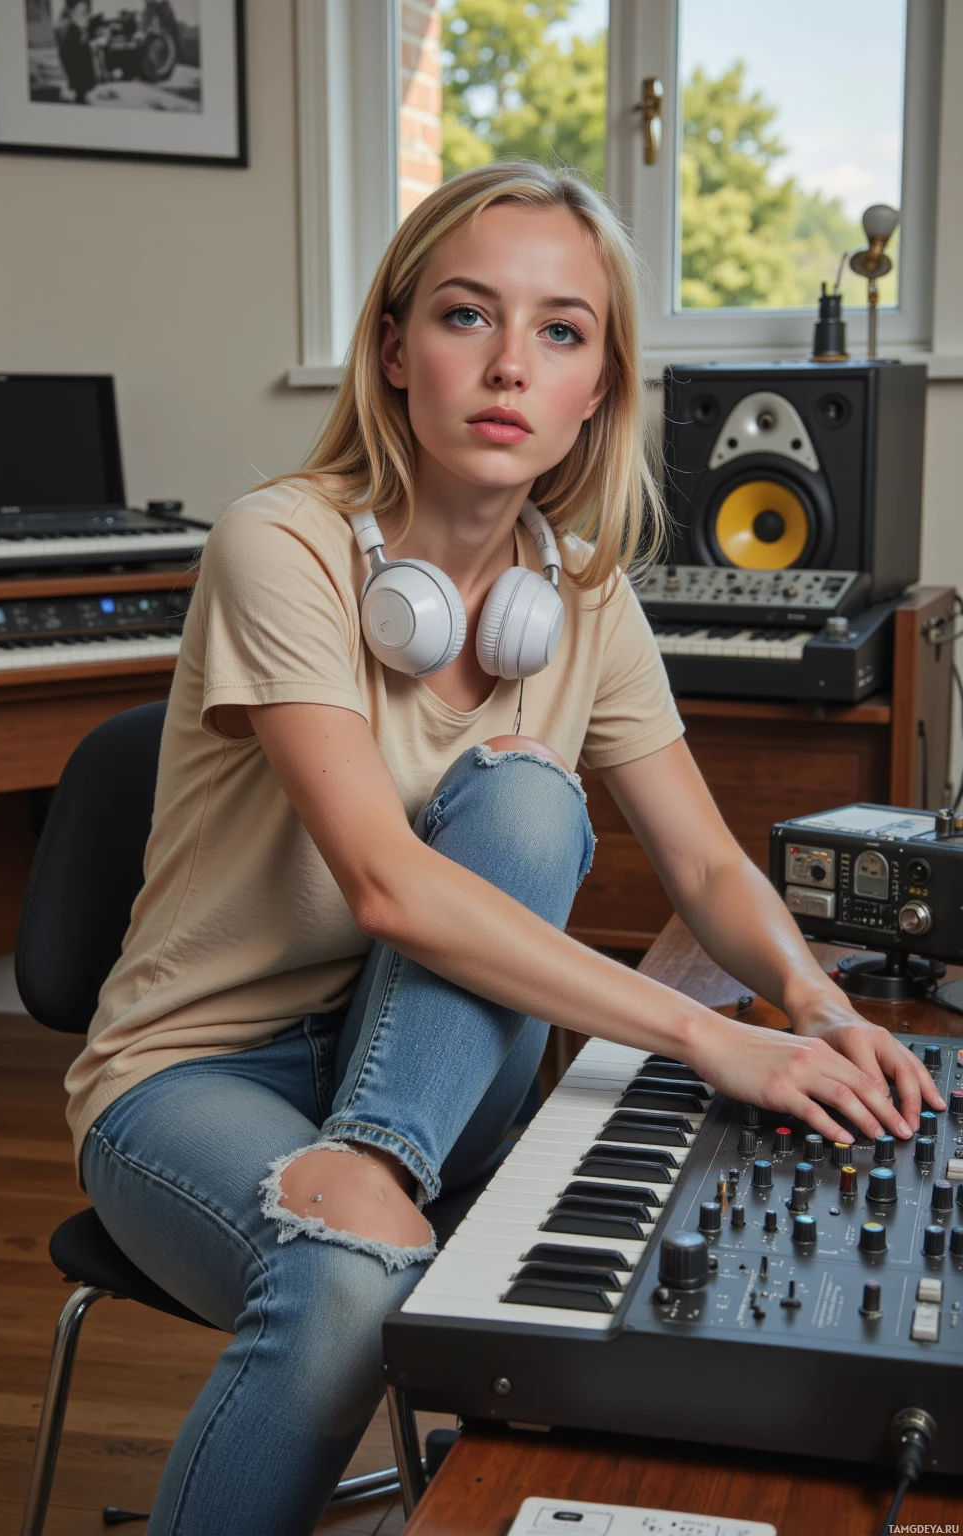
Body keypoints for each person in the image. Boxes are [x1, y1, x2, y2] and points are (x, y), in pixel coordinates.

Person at [64, 161, 943, 1534]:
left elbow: (710, 868)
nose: (509, 365)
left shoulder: (581, 597)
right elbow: (384, 883)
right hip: (199, 1072)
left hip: (436, 1065)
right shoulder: (279, 545)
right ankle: (373, 1207)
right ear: (394, 349)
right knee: (348, 1276)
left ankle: (378, 1175)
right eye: (467, 315)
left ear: (599, 387)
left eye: (561, 330)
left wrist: (813, 1004)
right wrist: (704, 1038)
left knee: (529, 797)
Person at [54, 0, 97, 104]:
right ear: (72, 12)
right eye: (84, 12)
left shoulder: (74, 28)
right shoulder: (69, 30)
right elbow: (72, 61)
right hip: (78, 83)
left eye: (88, 12)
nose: (88, 16)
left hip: (80, 85)